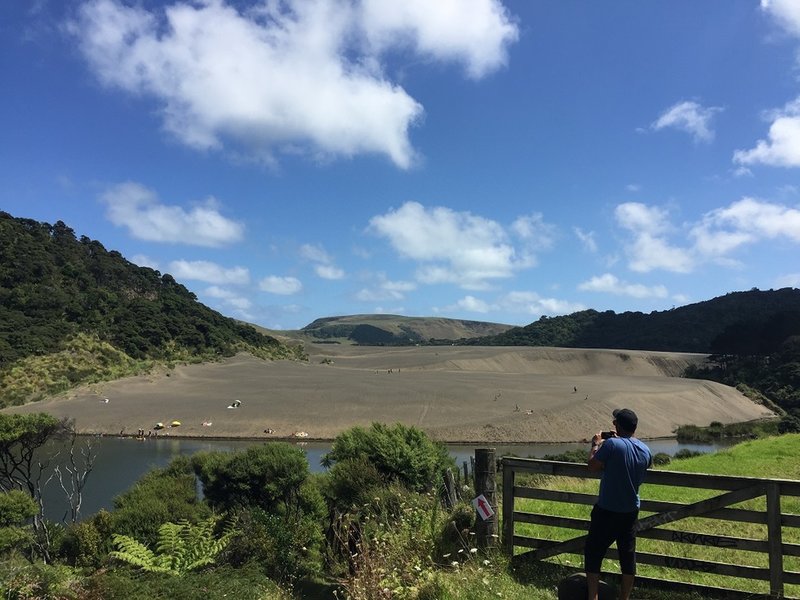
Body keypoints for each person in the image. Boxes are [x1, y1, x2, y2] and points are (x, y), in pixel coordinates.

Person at [585, 408, 652, 600]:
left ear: (617, 426)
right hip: (631, 510)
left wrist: (596, 445)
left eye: (615, 423)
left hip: (607, 509)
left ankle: (593, 597)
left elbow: (592, 466)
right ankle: (624, 598)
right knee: (627, 556)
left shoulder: (612, 445)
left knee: (593, 553)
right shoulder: (645, 449)